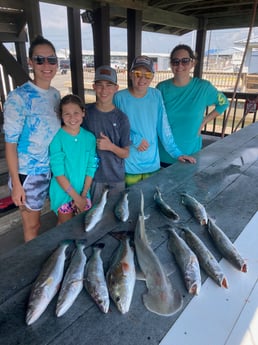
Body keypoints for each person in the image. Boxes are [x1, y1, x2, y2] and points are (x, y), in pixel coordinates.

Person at [3, 35, 61, 242]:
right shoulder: (18, 97)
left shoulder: (55, 94)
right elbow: (10, 144)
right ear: (30, 62)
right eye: (40, 60)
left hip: (53, 168)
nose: (47, 65)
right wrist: (17, 184)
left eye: (51, 60)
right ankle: (34, 267)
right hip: (28, 173)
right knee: (33, 225)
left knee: (55, 215)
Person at [113, 55, 196, 187]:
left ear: (152, 77)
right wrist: (135, 138)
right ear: (130, 74)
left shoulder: (156, 95)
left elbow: (163, 127)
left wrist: (177, 153)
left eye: (148, 74)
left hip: (152, 164)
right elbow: (113, 127)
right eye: (138, 73)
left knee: (151, 201)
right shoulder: (119, 97)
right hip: (129, 164)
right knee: (130, 202)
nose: (142, 78)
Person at [156, 44, 229, 167]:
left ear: (192, 63)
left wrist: (203, 121)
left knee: (188, 186)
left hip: (191, 152)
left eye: (185, 61)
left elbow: (224, 103)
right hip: (164, 152)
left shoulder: (203, 87)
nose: (180, 65)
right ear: (171, 64)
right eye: (175, 61)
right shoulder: (161, 88)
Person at [82, 65, 130, 204]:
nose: (104, 90)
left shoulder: (122, 118)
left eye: (109, 85)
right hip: (92, 178)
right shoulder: (85, 112)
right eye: (100, 85)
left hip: (116, 177)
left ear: (116, 88)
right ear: (93, 87)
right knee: (93, 218)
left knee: (116, 217)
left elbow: (125, 153)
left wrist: (110, 146)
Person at [49, 94, 97, 225]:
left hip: (83, 191)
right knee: (65, 227)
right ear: (61, 116)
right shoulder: (57, 138)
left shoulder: (90, 138)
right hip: (63, 192)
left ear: (83, 113)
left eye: (76, 113)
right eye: (67, 114)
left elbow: (91, 166)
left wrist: (84, 194)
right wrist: (76, 198)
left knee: (82, 225)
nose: (72, 118)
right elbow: (58, 173)